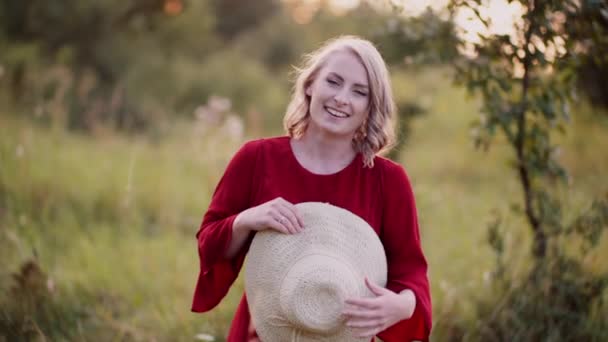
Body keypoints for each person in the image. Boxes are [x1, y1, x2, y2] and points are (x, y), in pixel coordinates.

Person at [191, 35, 432, 341]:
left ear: (371, 107)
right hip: (263, 333)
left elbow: (411, 271)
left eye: (359, 92)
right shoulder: (256, 159)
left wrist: (403, 305)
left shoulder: (388, 180)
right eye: (333, 82)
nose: (342, 98)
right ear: (310, 85)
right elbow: (209, 244)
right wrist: (247, 220)